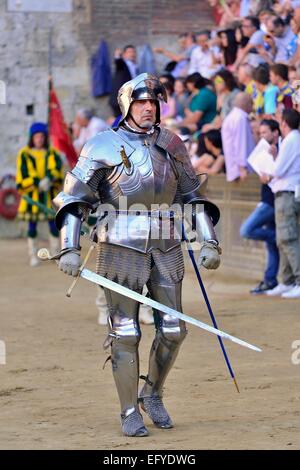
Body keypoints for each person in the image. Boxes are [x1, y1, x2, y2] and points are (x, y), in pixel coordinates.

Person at [52, 73, 221, 437]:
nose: (149, 108)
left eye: (153, 103)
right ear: (127, 105)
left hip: (166, 242)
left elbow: (192, 196)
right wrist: (69, 247)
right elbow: (73, 196)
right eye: (142, 102)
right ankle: (129, 410)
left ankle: (152, 394)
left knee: (174, 330)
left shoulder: (172, 143)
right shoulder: (102, 145)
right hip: (120, 243)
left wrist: (209, 240)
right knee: (126, 332)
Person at [262, 109, 300, 298]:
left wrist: (269, 167)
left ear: (284, 123)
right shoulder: (292, 139)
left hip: (287, 193)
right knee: (283, 238)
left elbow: (279, 169)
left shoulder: (292, 139)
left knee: (288, 238)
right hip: (286, 192)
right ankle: (287, 280)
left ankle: (297, 281)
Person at [240, 119, 280, 294]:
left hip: (273, 200)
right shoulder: (266, 150)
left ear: (276, 132)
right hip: (268, 198)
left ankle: (281, 238)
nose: (262, 136)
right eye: (260, 133)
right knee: (271, 246)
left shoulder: (282, 147)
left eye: (265, 132)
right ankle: (270, 280)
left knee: (246, 230)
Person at [16, 122, 64, 267]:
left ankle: (56, 253)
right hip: (32, 197)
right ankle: (33, 254)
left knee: (53, 225)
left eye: (42, 136)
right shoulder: (24, 153)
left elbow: (57, 168)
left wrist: (49, 179)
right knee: (32, 226)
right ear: (32, 138)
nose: (40, 139)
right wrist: (37, 183)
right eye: (37, 136)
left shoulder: (52, 152)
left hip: (49, 196)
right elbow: (23, 172)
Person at [221, 92, 255, 182]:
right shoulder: (240, 118)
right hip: (241, 170)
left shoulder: (233, 116)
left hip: (236, 168)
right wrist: (242, 168)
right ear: (247, 104)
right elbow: (240, 143)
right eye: (252, 103)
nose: (253, 107)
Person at [109, 45, 138, 117]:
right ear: (124, 55)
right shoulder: (123, 64)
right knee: (119, 121)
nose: (132, 54)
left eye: (133, 52)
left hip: (129, 99)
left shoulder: (136, 67)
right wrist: (117, 55)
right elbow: (118, 62)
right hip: (119, 100)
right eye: (129, 52)